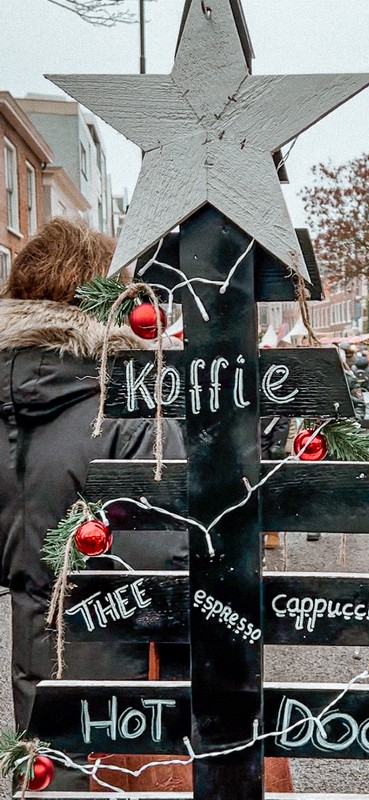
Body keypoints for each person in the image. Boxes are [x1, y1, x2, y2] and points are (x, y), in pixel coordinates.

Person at [0, 218, 187, 744]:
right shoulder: (130, 404)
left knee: (53, 778)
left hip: (37, 664)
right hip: (132, 681)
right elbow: (170, 556)